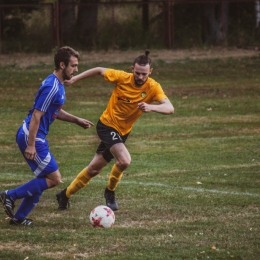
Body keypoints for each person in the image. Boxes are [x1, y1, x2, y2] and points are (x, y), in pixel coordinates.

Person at [56, 50, 174, 212]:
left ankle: (65, 194)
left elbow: (170, 108)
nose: (140, 77)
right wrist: (75, 78)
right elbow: (98, 70)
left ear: (150, 72)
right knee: (124, 160)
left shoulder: (153, 87)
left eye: (144, 74)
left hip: (123, 132)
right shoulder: (122, 77)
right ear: (132, 69)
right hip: (107, 126)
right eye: (137, 73)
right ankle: (110, 192)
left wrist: (151, 107)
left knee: (94, 169)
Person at [0, 46, 94, 226]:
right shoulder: (52, 86)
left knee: (44, 179)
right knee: (54, 178)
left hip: (35, 135)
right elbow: (37, 115)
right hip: (33, 136)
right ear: (62, 64)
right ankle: (9, 195)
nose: (76, 70)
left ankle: (19, 218)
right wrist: (31, 144)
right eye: (73, 66)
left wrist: (76, 120)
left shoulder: (57, 84)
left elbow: (54, 111)